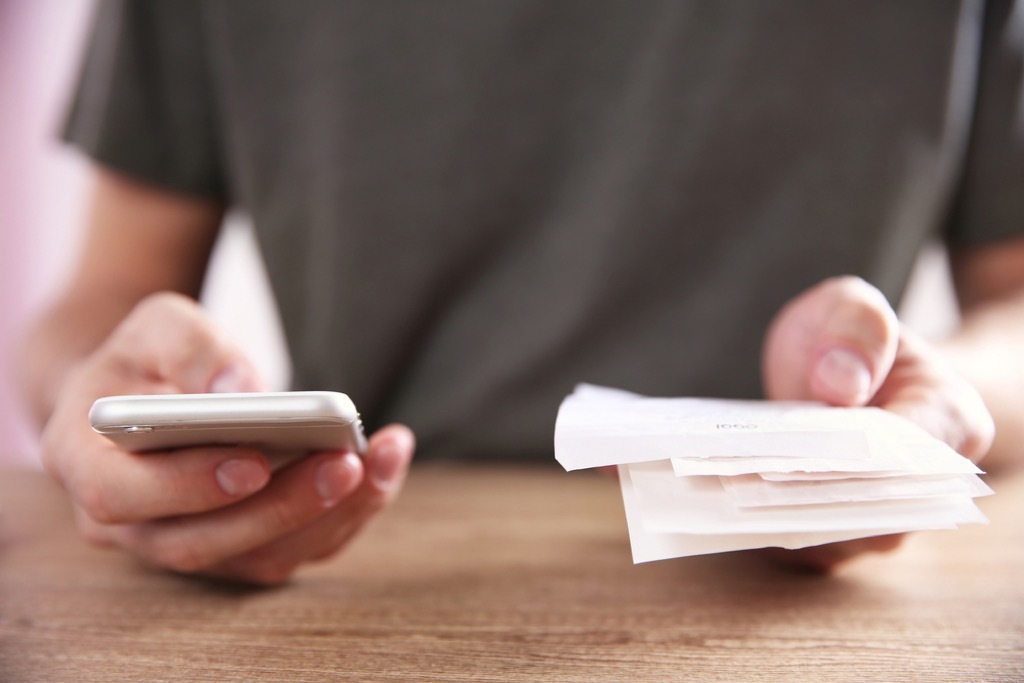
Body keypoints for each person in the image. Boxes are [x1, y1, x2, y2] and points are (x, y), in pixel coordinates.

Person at [18, 0, 1024, 584]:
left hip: (787, 604)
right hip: (349, 570)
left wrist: (920, 403)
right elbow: (104, 298)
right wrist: (93, 402)